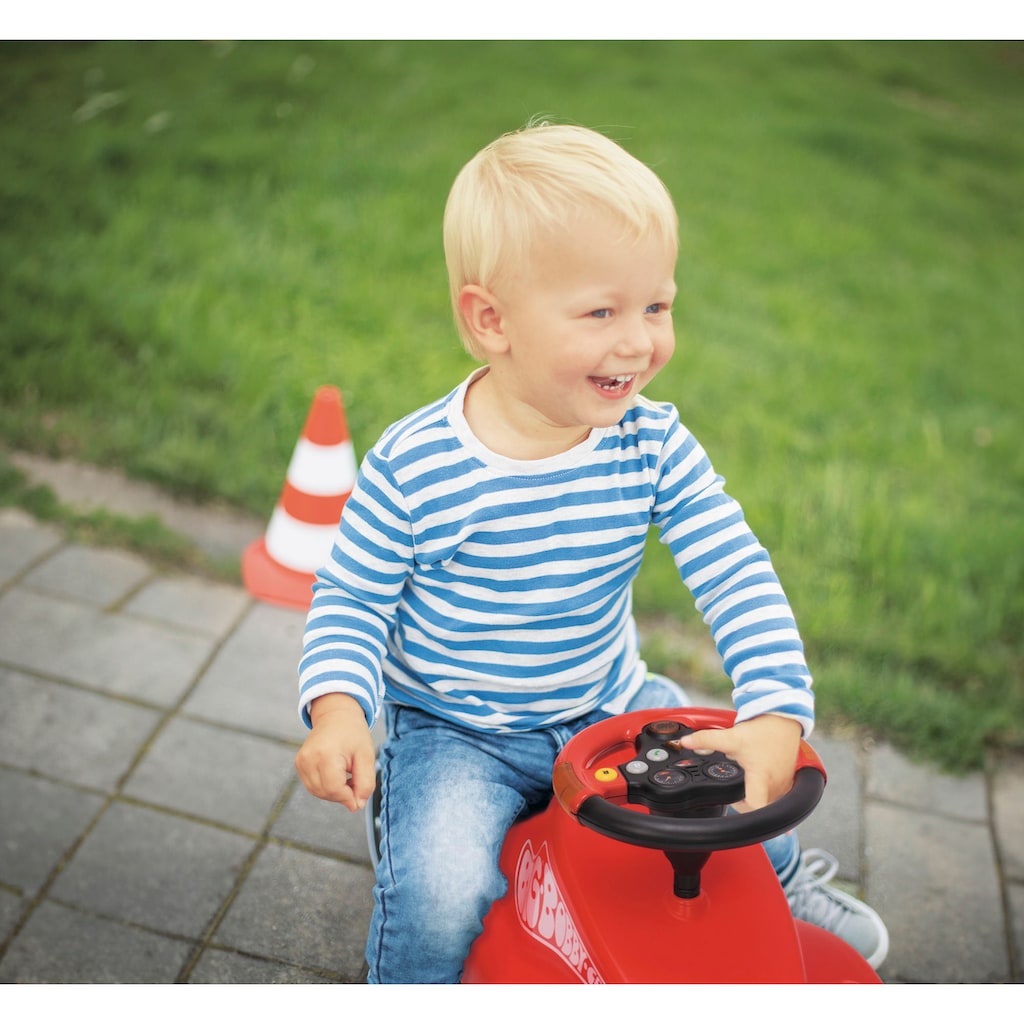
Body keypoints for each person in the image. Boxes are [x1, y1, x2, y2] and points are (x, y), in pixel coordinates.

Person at [295, 121, 888, 982]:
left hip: (607, 700)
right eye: (601, 312)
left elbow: (732, 566)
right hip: (460, 729)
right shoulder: (418, 465)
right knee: (441, 888)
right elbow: (350, 599)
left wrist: (772, 711)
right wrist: (340, 709)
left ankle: (784, 885)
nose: (638, 342)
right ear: (492, 321)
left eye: (657, 305)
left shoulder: (650, 442)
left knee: (744, 788)